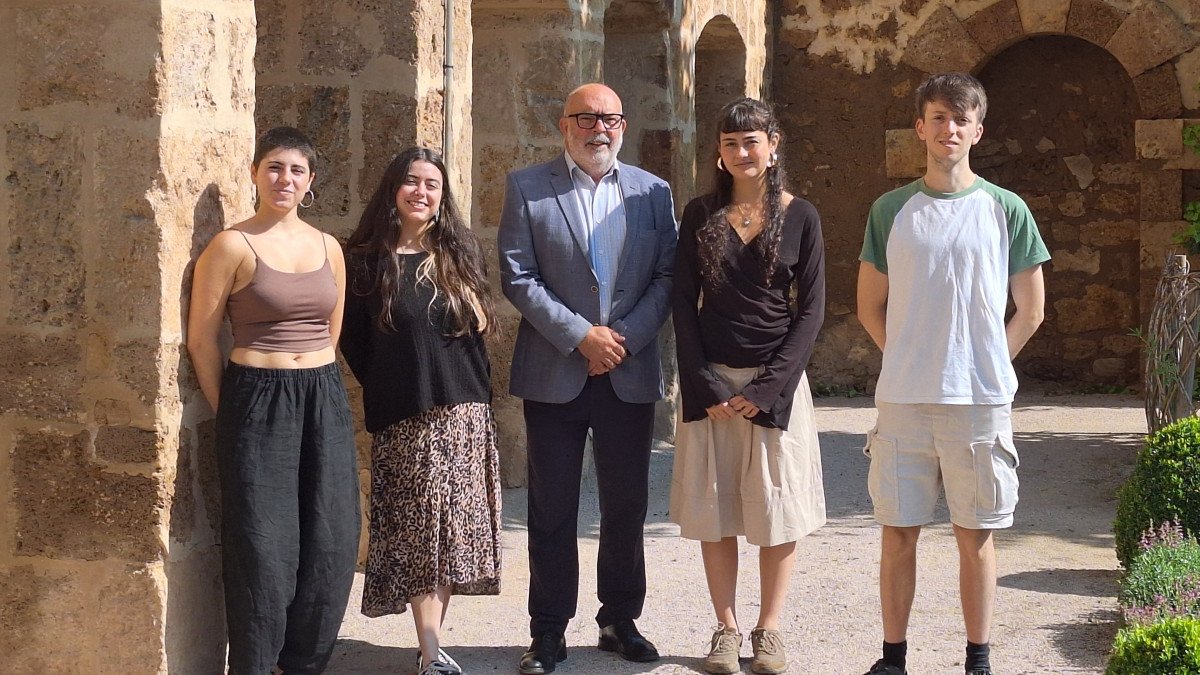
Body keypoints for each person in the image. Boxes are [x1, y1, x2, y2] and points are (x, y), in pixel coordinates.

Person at [856, 72, 1049, 675]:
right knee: (899, 533)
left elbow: (1032, 308)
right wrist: (904, 355)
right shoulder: (891, 210)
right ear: (921, 128)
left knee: (976, 535)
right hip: (905, 401)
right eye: (938, 117)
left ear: (978, 130)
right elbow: (869, 305)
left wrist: (988, 363)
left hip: (979, 401)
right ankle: (893, 659)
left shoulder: (1006, 209)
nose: (950, 129)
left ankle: (978, 658)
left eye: (961, 119)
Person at [497, 82, 677, 675]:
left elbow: (667, 277)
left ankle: (619, 619)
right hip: (556, 370)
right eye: (585, 118)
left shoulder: (654, 192)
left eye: (609, 118)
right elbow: (518, 276)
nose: (598, 128)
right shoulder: (528, 186)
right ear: (564, 124)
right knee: (552, 507)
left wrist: (619, 341)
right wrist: (581, 336)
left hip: (627, 369)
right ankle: (548, 630)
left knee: (626, 505)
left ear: (623, 127)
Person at [186, 126, 360, 675]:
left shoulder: (328, 247)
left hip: (323, 398)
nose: (285, 179)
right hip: (255, 399)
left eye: (297, 171)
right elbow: (201, 338)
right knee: (264, 545)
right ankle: (256, 666)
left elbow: (331, 331)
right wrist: (230, 408)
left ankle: (304, 664)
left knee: (332, 538)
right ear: (255, 173)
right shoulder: (232, 245)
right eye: (275, 168)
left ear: (310, 183)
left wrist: (313, 383)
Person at [669, 97, 827, 675]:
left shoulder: (801, 215)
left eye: (752, 141)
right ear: (719, 150)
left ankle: (769, 631)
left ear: (773, 145)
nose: (741, 151)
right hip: (712, 385)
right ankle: (726, 630)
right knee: (717, 511)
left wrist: (767, 389)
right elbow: (682, 305)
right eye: (731, 142)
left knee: (776, 511)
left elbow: (810, 313)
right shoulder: (699, 214)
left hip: (775, 386)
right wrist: (705, 383)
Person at [340, 147, 502, 675]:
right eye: (411, 182)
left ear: (441, 197)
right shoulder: (364, 261)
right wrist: (395, 387)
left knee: (451, 534)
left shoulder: (461, 254)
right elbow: (355, 344)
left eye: (432, 184)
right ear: (393, 189)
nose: (421, 192)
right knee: (420, 537)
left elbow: (476, 339)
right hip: (406, 417)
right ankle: (431, 651)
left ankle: (430, 647)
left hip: (464, 414)